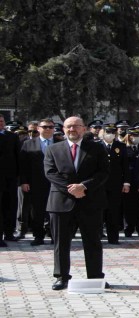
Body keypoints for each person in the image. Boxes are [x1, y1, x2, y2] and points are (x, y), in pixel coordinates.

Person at [44, 116, 109, 290]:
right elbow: (50, 173)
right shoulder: (53, 149)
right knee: (61, 242)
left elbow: (103, 172)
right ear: (64, 129)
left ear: (84, 128)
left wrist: (84, 187)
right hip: (61, 202)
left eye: (76, 126)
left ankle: (95, 276)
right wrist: (72, 189)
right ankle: (61, 276)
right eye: (68, 127)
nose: (72, 130)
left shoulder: (97, 148)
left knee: (93, 241)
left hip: (90, 201)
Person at [19, 119, 57, 246]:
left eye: (50, 127)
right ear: (38, 129)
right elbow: (23, 165)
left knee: (55, 211)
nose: (47, 129)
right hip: (35, 182)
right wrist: (24, 182)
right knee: (37, 211)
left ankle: (54, 235)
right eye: (45, 127)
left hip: (56, 183)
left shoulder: (60, 143)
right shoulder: (28, 144)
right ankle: (38, 236)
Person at [100, 124, 130, 245]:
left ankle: (113, 238)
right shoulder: (96, 145)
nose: (110, 134)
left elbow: (125, 166)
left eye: (113, 132)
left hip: (115, 185)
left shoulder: (120, 146)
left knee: (114, 212)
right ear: (103, 132)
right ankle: (96, 236)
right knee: (98, 212)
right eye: (108, 131)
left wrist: (126, 183)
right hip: (99, 185)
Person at [0, 114, 21, 246]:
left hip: (10, 178)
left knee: (10, 206)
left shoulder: (12, 136)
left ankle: (9, 233)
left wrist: (19, 176)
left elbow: (18, 156)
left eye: (2, 121)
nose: (0, 123)